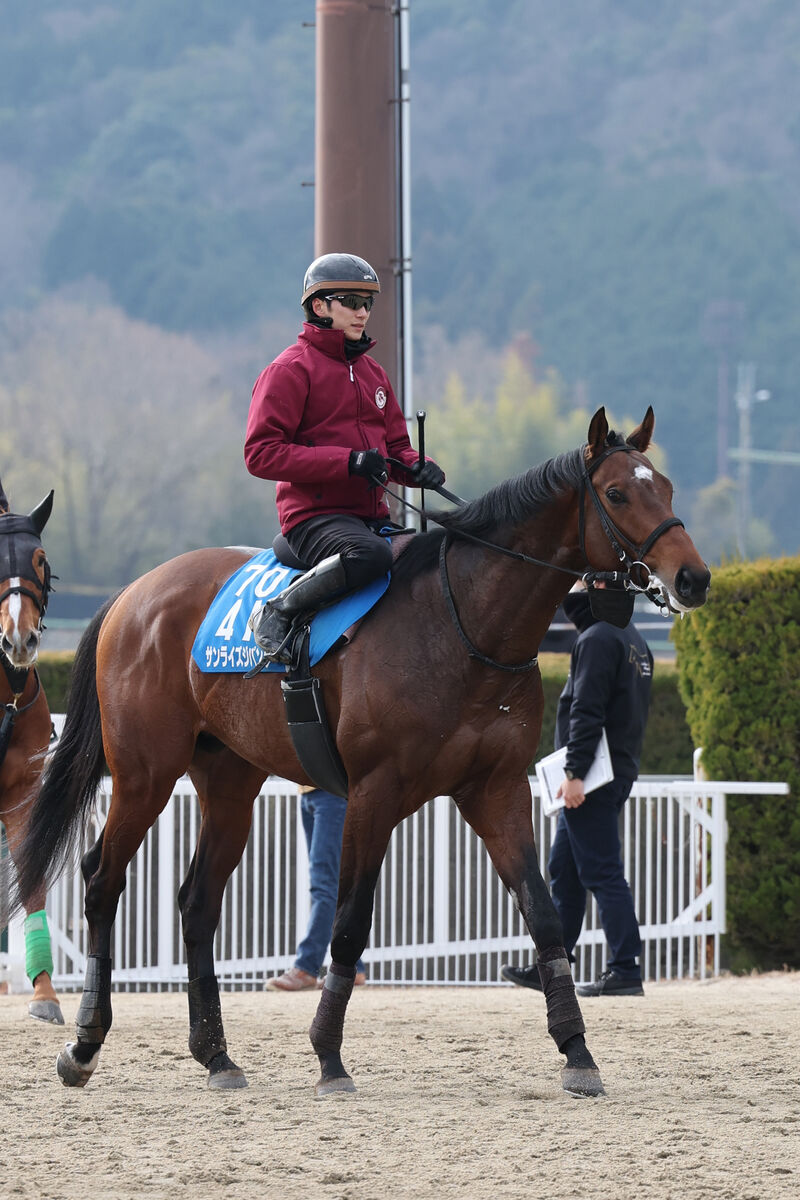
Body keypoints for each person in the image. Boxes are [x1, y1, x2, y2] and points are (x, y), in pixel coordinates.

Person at [244, 252, 445, 663]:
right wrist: (348, 462)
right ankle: (279, 611)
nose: (363, 313)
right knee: (370, 556)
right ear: (319, 305)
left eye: (368, 303)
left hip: (370, 519)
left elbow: (394, 451)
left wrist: (415, 468)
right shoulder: (289, 370)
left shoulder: (374, 373)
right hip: (313, 520)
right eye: (352, 302)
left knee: (435, 557)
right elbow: (261, 454)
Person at [501, 579, 653, 996]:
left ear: (599, 587)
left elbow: (586, 711)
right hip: (612, 772)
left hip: (590, 780)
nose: (569, 588)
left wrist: (574, 774)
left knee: (602, 872)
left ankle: (625, 969)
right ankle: (555, 966)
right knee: (565, 871)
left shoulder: (598, 638)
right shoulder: (633, 639)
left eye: (580, 580)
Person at [267, 786, 366, 991]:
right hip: (308, 792)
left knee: (325, 886)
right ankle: (354, 967)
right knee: (335, 886)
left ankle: (306, 967)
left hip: (331, 794)